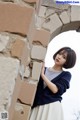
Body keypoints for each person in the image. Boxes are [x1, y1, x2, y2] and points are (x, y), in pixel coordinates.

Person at [30, 47, 76, 120]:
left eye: (64, 57)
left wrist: (43, 75)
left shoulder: (66, 75)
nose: (59, 57)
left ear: (67, 62)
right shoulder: (43, 69)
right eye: (60, 53)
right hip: (36, 106)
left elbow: (55, 89)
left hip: (51, 107)